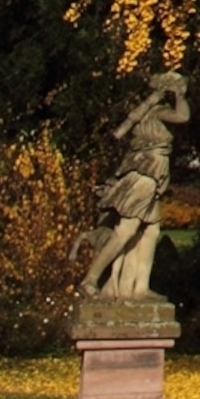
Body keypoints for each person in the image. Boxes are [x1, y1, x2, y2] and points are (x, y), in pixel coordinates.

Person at [78, 72, 189, 297]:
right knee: (126, 230)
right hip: (145, 175)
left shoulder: (147, 113)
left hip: (152, 174)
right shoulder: (155, 112)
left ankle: (140, 287)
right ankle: (90, 279)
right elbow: (183, 116)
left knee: (150, 230)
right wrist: (180, 96)